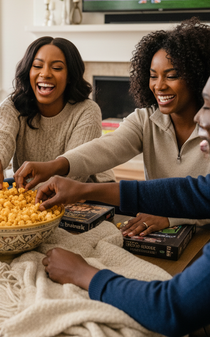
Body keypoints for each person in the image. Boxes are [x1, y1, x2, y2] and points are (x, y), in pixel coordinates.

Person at [37, 74, 210, 337]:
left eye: (207, 106)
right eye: (153, 75)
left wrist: (83, 273)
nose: (200, 117)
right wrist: (80, 186)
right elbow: (190, 192)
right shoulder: (146, 118)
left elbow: (170, 308)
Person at [15, 18, 210, 236]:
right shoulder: (146, 118)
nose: (159, 85)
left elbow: (203, 195)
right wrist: (55, 165)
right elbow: (107, 147)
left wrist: (171, 217)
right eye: (153, 76)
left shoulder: (207, 128)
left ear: (198, 76)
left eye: (172, 76)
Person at [0, 36, 114, 189]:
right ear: (28, 71)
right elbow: (0, 136)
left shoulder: (87, 111)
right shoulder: (12, 105)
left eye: (57, 68)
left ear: (70, 76)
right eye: (37, 66)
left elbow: (76, 173)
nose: (45, 74)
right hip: (30, 193)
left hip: (87, 193)